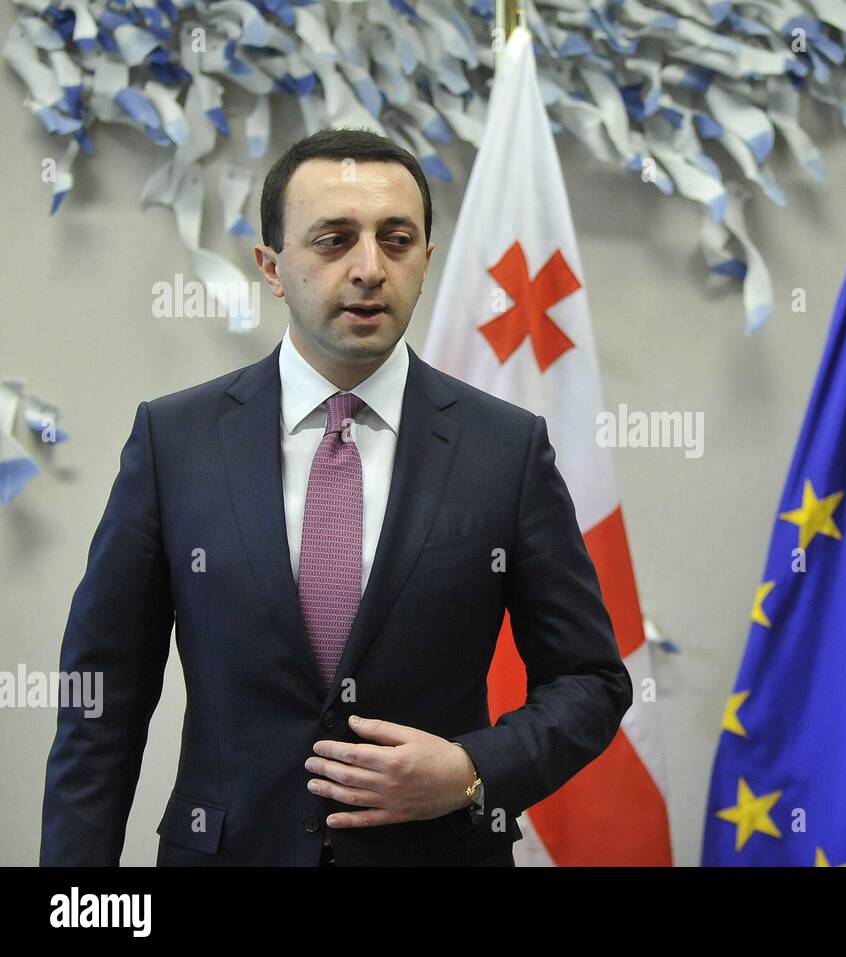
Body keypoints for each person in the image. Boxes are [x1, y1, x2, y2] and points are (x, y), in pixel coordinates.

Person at [39, 129, 633, 866]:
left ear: (425, 262)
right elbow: (104, 699)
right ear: (272, 267)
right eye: (333, 240)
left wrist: (473, 770)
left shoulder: (505, 449)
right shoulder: (175, 441)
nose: (368, 268)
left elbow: (591, 680)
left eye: (396, 240)